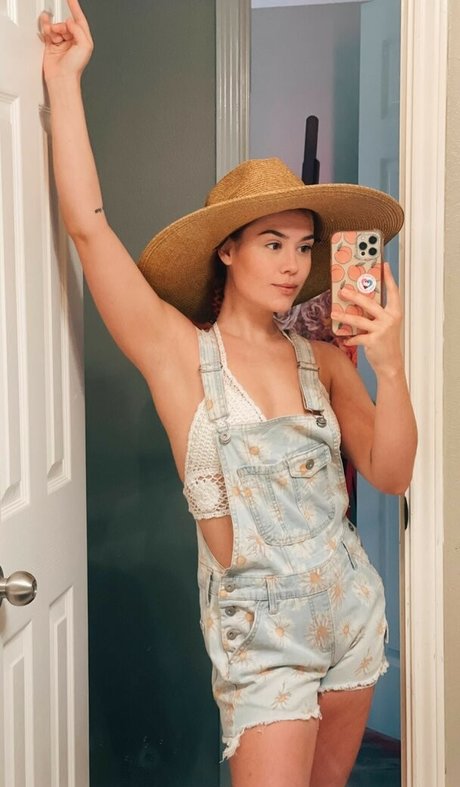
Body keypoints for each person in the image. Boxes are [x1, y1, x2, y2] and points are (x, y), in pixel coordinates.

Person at [39, 3, 417, 786]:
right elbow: (89, 230)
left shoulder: (324, 360)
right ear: (229, 250)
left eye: (303, 246)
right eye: (272, 243)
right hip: (261, 645)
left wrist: (392, 366)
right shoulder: (180, 354)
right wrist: (63, 78)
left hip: (350, 613)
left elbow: (391, 471)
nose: (292, 264)